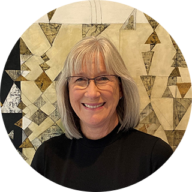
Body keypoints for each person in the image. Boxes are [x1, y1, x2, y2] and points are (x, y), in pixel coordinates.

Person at [30, 36, 174, 191]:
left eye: (103, 78)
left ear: (121, 89)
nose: (92, 93)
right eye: (80, 79)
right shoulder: (47, 157)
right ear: (67, 91)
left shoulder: (155, 157)